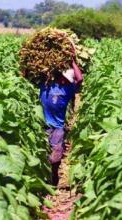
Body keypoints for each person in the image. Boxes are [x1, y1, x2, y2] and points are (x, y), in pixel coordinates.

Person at [40, 54, 83, 186]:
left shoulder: (68, 89)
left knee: (56, 157)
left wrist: (72, 62)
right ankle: (46, 179)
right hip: (43, 125)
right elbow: (26, 76)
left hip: (58, 127)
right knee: (43, 154)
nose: (66, 80)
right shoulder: (46, 85)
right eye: (65, 78)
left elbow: (80, 79)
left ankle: (54, 176)